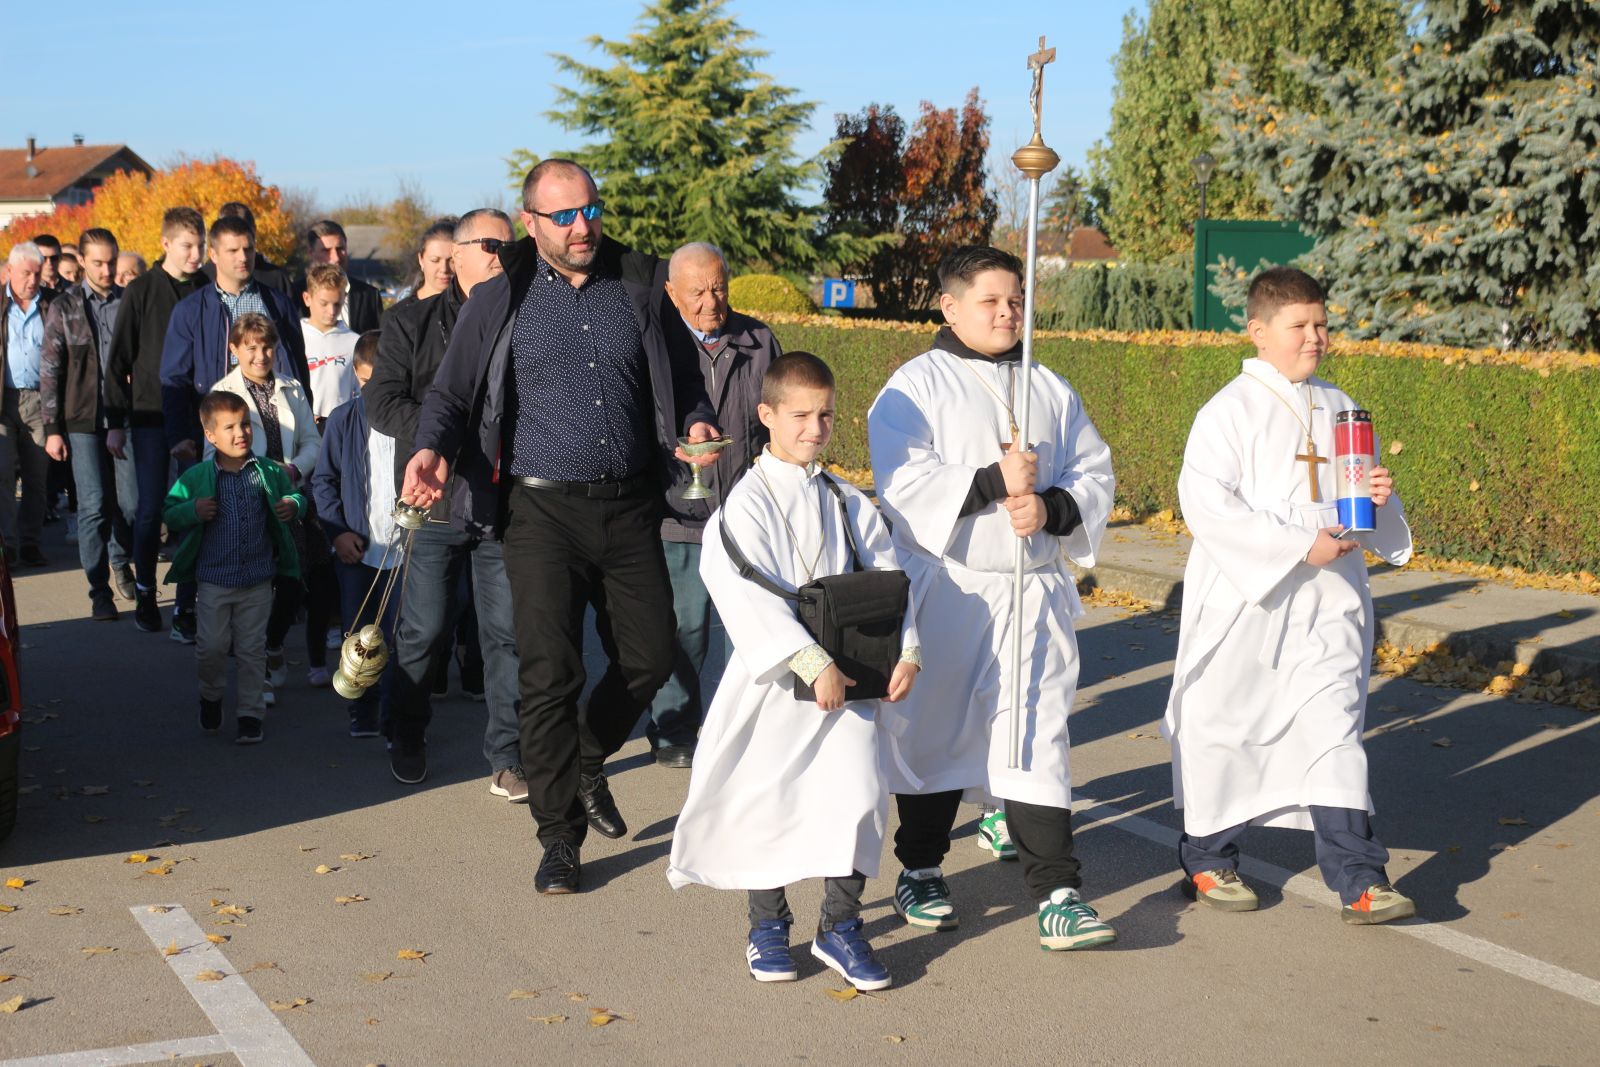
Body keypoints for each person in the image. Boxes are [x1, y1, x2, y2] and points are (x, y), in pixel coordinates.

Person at [401, 159, 718, 894]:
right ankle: (559, 838)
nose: (584, 226)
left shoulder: (635, 284)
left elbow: (685, 372)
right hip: (538, 510)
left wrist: (695, 417)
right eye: (566, 216)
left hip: (629, 501)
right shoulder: (501, 295)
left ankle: (582, 757)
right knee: (549, 671)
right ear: (533, 222)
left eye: (591, 210)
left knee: (649, 655)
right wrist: (430, 450)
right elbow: (450, 393)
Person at [867, 245, 1119, 951]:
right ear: (948, 305)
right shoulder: (911, 388)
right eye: (991, 301)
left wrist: (1054, 510)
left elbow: (1094, 470)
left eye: (1016, 300)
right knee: (936, 732)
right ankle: (920, 864)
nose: (1008, 313)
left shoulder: (1049, 385)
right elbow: (904, 485)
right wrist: (992, 481)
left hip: (1031, 589)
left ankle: (1060, 893)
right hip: (951, 589)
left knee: (1035, 735)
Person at [1163, 266, 1416, 925]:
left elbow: (1360, 511)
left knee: (1334, 733)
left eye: (1322, 323)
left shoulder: (1341, 407)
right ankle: (1208, 856)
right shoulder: (1226, 412)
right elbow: (1207, 505)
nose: (1316, 337)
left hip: (1328, 606)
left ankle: (1361, 877)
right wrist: (1300, 545)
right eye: (1300, 325)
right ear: (1258, 331)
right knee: (1228, 729)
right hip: (1251, 605)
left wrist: (1376, 503)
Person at [667, 352, 919, 990]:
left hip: (853, 684)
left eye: (826, 414)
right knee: (769, 803)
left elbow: (889, 583)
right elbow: (741, 589)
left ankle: (840, 924)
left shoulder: (845, 499)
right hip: (780, 686)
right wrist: (810, 660)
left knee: (858, 798)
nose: (815, 427)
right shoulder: (744, 505)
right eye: (801, 414)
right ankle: (768, 925)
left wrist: (907, 649)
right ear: (767, 414)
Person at [365, 208, 524, 797]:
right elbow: (380, 401)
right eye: (491, 245)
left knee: (506, 632)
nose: (504, 255)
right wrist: (442, 436)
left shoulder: (528, 316)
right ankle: (405, 730)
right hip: (435, 499)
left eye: (512, 246)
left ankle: (508, 755)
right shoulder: (410, 322)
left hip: (503, 504)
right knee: (425, 629)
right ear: (455, 257)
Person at [643, 241, 782, 769]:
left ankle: (742, 724)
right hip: (678, 512)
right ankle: (674, 727)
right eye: (696, 291)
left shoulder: (759, 340)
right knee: (686, 627)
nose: (710, 301)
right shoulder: (655, 344)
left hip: (747, 512)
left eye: (718, 287)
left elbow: (780, 414)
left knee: (747, 624)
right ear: (672, 292)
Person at [163, 390, 305, 745]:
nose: (240, 433)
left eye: (245, 425)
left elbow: (296, 493)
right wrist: (192, 510)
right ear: (210, 436)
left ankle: (249, 714)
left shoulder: (268, 471)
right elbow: (169, 511)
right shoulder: (196, 477)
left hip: (258, 580)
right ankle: (211, 695)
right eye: (229, 427)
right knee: (210, 648)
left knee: (251, 650)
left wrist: (293, 503)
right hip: (213, 581)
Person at [104, 206, 208, 633]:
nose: (196, 254)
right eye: (188, 245)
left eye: (201, 245)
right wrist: (114, 420)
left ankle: (186, 603)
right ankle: (146, 592)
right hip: (148, 416)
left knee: (193, 510)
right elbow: (119, 360)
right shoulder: (142, 290)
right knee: (149, 510)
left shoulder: (206, 289)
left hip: (199, 417)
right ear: (165, 244)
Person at [209, 313, 321, 707]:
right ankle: (258, 672)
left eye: (267, 346)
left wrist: (293, 470)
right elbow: (213, 451)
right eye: (251, 347)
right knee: (255, 588)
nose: (260, 355)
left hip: (288, 500)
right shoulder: (222, 392)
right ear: (234, 349)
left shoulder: (291, 388)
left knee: (292, 584)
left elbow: (312, 441)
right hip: (246, 503)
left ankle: (272, 644)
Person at [41, 228, 137, 618]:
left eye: (111, 261)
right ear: (81, 261)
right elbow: (50, 368)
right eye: (97, 262)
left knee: (130, 504)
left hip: (125, 417)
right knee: (95, 503)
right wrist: (51, 428)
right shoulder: (64, 306)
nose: (106, 269)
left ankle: (119, 557)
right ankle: (99, 589)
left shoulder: (128, 301)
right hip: (81, 418)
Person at [314, 331, 400, 738]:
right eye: (365, 382)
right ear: (355, 378)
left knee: (400, 638)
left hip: (405, 553)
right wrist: (338, 534)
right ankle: (359, 708)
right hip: (358, 552)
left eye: (381, 382)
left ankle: (394, 714)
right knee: (358, 636)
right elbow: (324, 482)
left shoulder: (412, 419)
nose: (373, 391)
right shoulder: (343, 420)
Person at [1, 242, 60, 567]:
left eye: (37, 273)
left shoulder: (51, 305)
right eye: (26, 273)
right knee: (3, 474)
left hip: (40, 400)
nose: (33, 279)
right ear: (10, 271)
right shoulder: (1, 303)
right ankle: (7, 545)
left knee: (38, 477)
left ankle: (30, 542)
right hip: (3, 399)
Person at [295, 221, 382, 334]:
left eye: (340, 249)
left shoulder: (369, 296)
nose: (336, 258)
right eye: (326, 250)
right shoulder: (293, 296)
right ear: (311, 253)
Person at [300, 263, 359, 423]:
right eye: (324, 303)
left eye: (337, 304)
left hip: (342, 427)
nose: (332, 311)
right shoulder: (295, 337)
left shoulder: (354, 341)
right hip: (303, 428)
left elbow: (360, 390)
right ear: (307, 298)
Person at [204, 203, 291, 295]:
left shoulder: (275, 279)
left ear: (254, 231)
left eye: (244, 230)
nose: (242, 257)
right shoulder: (201, 279)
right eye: (233, 250)